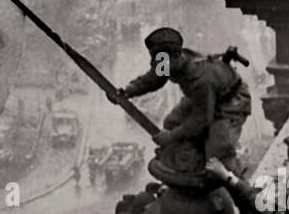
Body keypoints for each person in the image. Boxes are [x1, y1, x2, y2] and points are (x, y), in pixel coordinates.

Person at [108, 27, 252, 178]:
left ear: (176, 56)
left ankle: (236, 179)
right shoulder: (173, 61)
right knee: (172, 121)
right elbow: (155, 78)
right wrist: (128, 90)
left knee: (217, 154)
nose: (160, 68)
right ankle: (189, 159)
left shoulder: (200, 80)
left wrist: (171, 136)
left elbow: (202, 119)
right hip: (204, 96)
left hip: (231, 102)